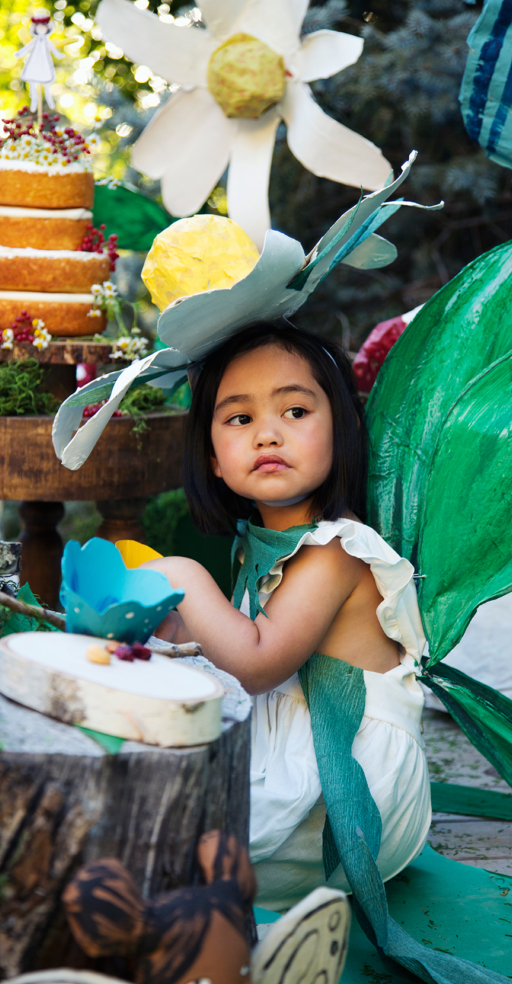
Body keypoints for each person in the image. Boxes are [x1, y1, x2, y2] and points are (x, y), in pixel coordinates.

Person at [147, 321, 431, 912]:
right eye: (239, 419)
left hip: (348, 796)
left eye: (295, 412)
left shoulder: (335, 551)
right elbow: (222, 644)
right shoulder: (264, 544)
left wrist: (182, 577)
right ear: (214, 459)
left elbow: (255, 664)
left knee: (166, 848)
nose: (267, 434)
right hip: (290, 752)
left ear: (344, 429)